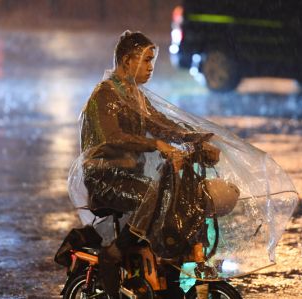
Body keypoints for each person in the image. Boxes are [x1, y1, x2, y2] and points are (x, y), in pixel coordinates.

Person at [79, 30, 218, 298]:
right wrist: (155, 145)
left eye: (152, 60)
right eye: (145, 60)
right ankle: (115, 251)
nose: (150, 67)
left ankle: (167, 274)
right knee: (156, 197)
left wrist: (198, 141)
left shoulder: (136, 95)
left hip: (130, 176)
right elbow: (113, 138)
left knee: (177, 200)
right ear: (126, 61)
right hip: (105, 179)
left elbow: (161, 125)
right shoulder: (104, 95)